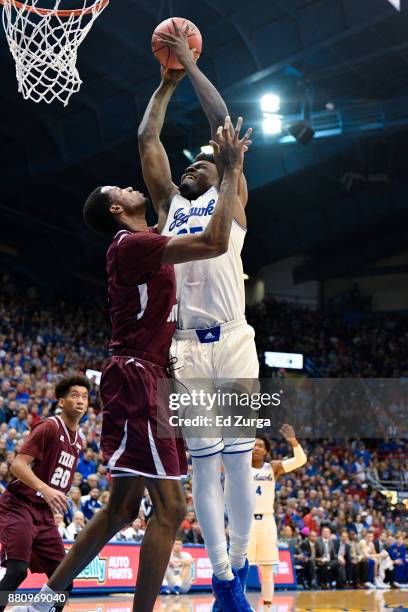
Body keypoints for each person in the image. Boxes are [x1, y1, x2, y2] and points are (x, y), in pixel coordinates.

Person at [18, 115, 252, 612]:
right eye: (123, 187)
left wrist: (167, 82)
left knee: (124, 508)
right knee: (170, 508)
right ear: (119, 207)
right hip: (140, 378)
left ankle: (46, 597)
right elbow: (213, 242)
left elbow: (148, 138)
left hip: (141, 376)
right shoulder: (134, 244)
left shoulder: (143, 240)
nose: (132, 184)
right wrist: (230, 170)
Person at [138, 21, 258, 612]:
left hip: (234, 342)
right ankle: (221, 582)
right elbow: (148, 142)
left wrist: (191, 58)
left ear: (223, 172)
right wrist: (167, 81)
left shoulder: (230, 196)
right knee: (202, 474)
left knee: (238, 471)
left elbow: (220, 126)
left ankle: (238, 568)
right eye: (189, 169)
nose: (192, 169)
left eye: (202, 166)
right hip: (185, 348)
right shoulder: (171, 206)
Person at [0, 376, 90, 612]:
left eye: (84, 396)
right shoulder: (49, 426)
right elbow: (17, 465)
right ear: (61, 402)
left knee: (64, 580)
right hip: (19, 505)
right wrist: (45, 488)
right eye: (74, 395)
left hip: (43, 514)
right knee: (17, 572)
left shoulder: (79, 440)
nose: (80, 400)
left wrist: (56, 492)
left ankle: (33, 609)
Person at [246, 426, 307, 609]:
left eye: (260, 445)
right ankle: (238, 606)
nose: (256, 448)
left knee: (266, 570)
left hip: (266, 521)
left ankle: (266, 608)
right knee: (239, 568)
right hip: (243, 521)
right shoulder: (237, 466)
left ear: (266, 451)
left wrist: (293, 441)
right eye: (253, 445)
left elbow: (301, 460)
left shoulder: (273, 467)